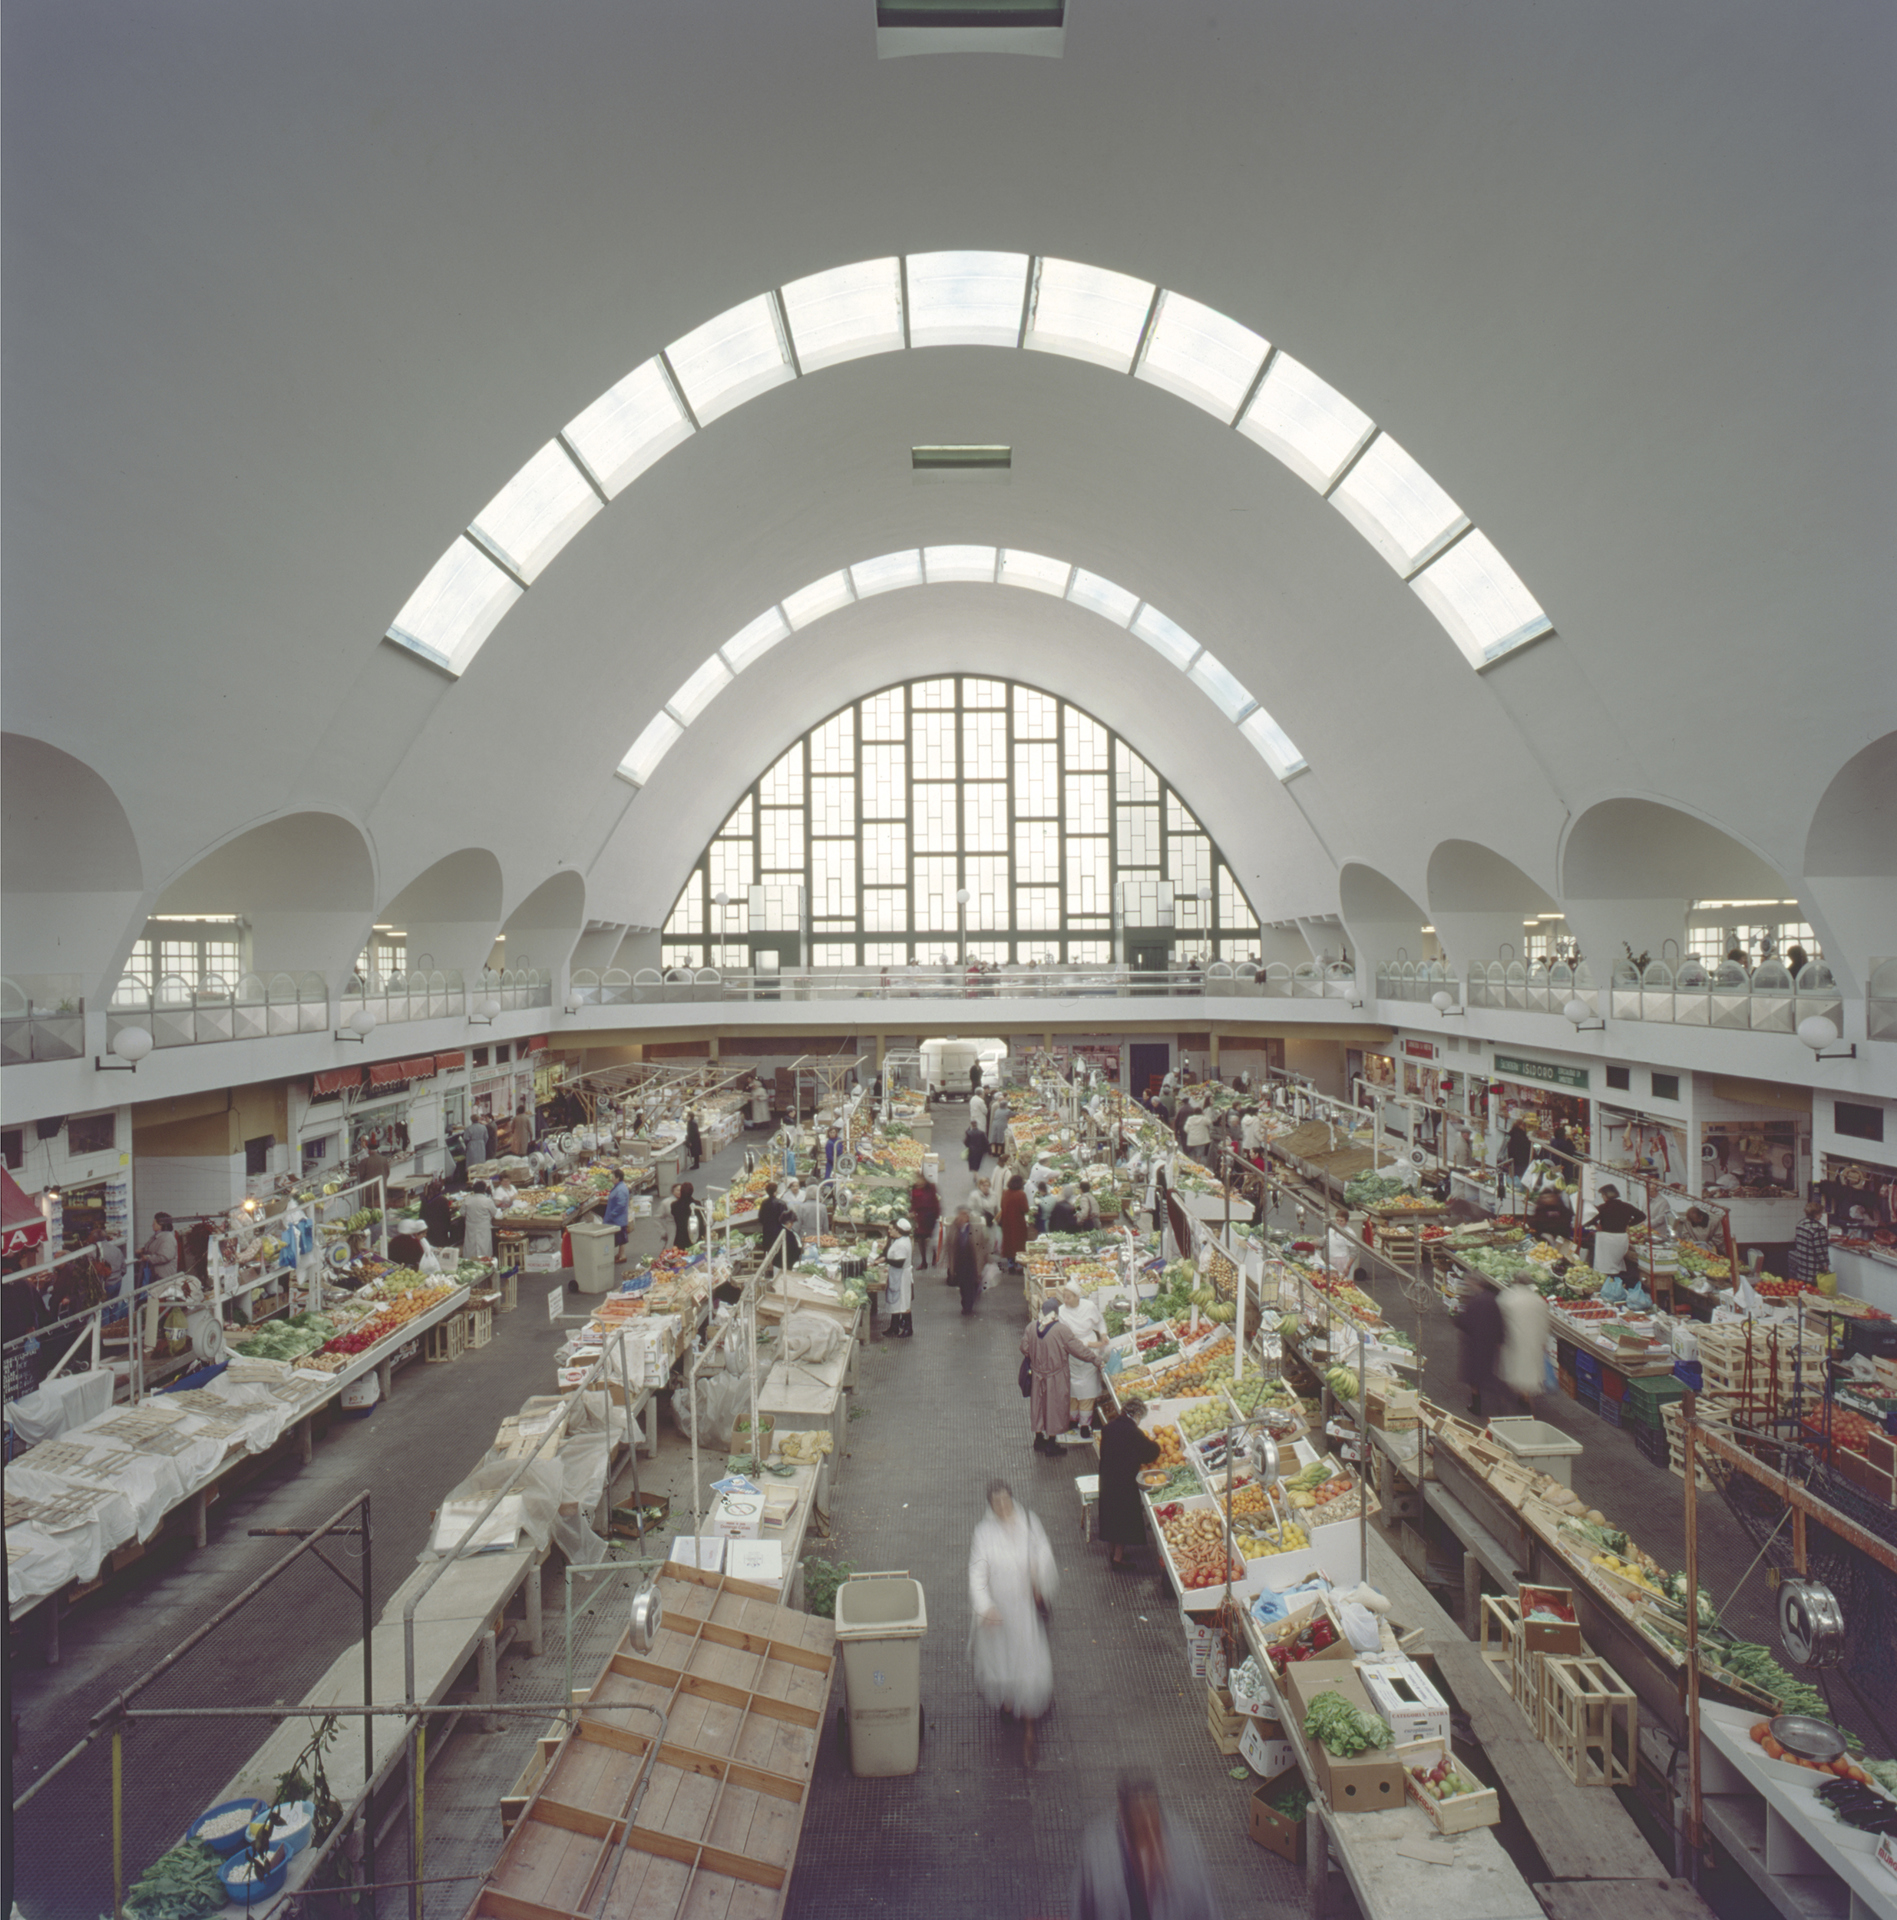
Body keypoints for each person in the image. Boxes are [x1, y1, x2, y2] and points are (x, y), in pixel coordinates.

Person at [968, 1479, 1058, 1765]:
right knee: (1003, 1662)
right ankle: (1009, 1701)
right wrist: (985, 1606)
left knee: (1027, 1663)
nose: (1004, 1507)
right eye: (998, 1503)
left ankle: (1029, 1732)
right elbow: (977, 1571)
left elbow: (1043, 1552)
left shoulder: (1029, 1524)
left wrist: (1038, 1571)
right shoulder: (983, 1533)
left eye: (1007, 1500)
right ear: (991, 1506)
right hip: (999, 1614)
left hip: (1022, 1613)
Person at [1072, 1775, 1221, 1920]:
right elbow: (1081, 1907)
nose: (1148, 1823)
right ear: (1122, 1811)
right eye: (1138, 1813)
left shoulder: (1186, 1844)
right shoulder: (1096, 1848)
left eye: (1151, 1810)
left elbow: (1207, 1908)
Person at [1022, 1296, 1104, 1453]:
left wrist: (1037, 1356)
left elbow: (1024, 1348)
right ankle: (1052, 1444)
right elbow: (1078, 1349)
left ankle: (1038, 1439)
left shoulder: (1031, 1327)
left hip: (1037, 1375)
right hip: (1055, 1376)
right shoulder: (1061, 1330)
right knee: (1054, 1406)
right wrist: (1095, 1359)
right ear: (1055, 1313)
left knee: (1038, 1406)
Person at [1098, 1397, 1161, 1569]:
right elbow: (1150, 1453)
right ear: (1137, 1414)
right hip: (1123, 1483)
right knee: (1122, 1520)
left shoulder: (1109, 1428)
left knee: (1110, 1518)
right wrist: (1158, 1444)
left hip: (1106, 1479)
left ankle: (1112, 1553)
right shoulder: (1133, 1432)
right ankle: (1118, 1560)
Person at [1059, 1285, 1107, 1434]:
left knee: (1088, 1388)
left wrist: (1103, 1335)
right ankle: (1073, 1419)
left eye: (1068, 1297)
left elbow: (1099, 1321)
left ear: (1077, 1297)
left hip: (1090, 1354)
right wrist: (1091, 1344)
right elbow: (1067, 1337)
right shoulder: (1061, 1311)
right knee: (1073, 1387)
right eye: (1064, 1297)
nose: (1065, 1301)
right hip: (1073, 1352)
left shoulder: (1089, 1306)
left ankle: (1085, 1424)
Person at [1458, 1271, 1505, 1419]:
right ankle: (1495, 1399)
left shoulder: (1475, 1301)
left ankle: (1477, 1405)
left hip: (1474, 1344)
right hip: (1488, 1344)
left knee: (1474, 1375)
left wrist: (1456, 1318)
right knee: (1486, 1371)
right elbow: (1499, 1322)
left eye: (1469, 1282)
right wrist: (1499, 1340)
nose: (1467, 1284)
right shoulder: (1492, 1299)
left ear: (1476, 1283)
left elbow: (1466, 1323)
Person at [1585, 1182, 1646, 1277]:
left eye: (1602, 1195)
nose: (1602, 1197)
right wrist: (1629, 1224)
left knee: (1604, 1267)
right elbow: (1642, 1216)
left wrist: (1596, 1224)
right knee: (1616, 1265)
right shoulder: (1627, 1206)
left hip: (1606, 1241)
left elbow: (1588, 1220)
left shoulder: (1602, 1208)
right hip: (1621, 1240)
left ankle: (1606, 1282)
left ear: (1606, 1195)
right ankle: (1616, 1280)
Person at [946, 1204, 990, 1314]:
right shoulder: (953, 1229)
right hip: (960, 1262)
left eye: (966, 1214)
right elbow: (948, 1246)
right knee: (963, 1285)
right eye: (962, 1214)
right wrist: (946, 1262)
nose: (964, 1217)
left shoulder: (975, 1229)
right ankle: (966, 1302)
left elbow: (983, 1246)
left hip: (972, 1262)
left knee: (971, 1284)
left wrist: (985, 1260)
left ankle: (968, 1306)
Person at [882, 1217, 915, 1336]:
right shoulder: (901, 1239)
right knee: (896, 1302)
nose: (889, 1231)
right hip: (897, 1274)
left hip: (901, 1277)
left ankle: (908, 1328)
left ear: (898, 1230)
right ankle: (894, 1327)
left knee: (903, 1302)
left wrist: (886, 1260)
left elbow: (899, 1262)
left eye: (892, 1229)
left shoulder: (901, 1244)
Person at [1789, 1198, 1831, 1284]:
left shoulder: (1801, 1224)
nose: (1822, 1215)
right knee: (1814, 1292)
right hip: (1813, 1268)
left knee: (1803, 1290)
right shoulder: (1818, 1229)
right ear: (1815, 1214)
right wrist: (1825, 1264)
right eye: (1820, 1213)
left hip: (1802, 1265)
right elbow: (1820, 1250)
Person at [999, 1172, 1031, 1272]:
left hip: (1007, 1221)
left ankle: (1010, 1265)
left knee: (1008, 1242)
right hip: (1018, 1222)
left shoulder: (1005, 1193)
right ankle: (1019, 1265)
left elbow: (1001, 1205)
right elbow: (1025, 1209)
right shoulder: (1021, 1194)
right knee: (1019, 1243)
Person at [909, 1175, 942, 1271]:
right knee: (920, 1239)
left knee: (932, 1238)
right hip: (920, 1218)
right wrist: (912, 1211)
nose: (918, 1182)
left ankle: (934, 1256)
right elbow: (913, 1202)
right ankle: (924, 1261)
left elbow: (935, 1202)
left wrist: (936, 1215)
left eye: (920, 1179)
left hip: (930, 1217)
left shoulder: (931, 1188)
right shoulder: (914, 1189)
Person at [459, 1180, 498, 1260]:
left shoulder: (468, 1200)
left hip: (471, 1227)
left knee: (471, 1245)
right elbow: (494, 1213)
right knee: (484, 1246)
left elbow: (462, 1213)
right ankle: (485, 1261)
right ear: (484, 1189)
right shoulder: (487, 1201)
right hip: (484, 1227)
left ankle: (469, 1261)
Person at [139, 1213, 180, 1283]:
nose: (152, 1225)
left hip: (164, 1277)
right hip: (155, 1275)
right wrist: (142, 1250)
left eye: (154, 1223)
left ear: (160, 1225)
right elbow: (150, 1246)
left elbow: (164, 1257)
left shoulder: (168, 1238)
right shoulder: (157, 1236)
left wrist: (148, 1258)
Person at [603, 1166, 631, 1262]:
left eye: (613, 1177)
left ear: (617, 1178)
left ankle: (622, 1255)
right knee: (620, 1237)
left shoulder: (621, 1189)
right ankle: (620, 1254)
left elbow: (621, 1205)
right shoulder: (619, 1187)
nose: (611, 1179)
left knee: (621, 1238)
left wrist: (612, 1215)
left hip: (618, 1219)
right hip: (617, 1218)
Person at [420, 1178, 457, 1249]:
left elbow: (421, 1215)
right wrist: (448, 1227)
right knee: (440, 1248)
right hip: (440, 1229)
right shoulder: (442, 1200)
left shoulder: (424, 1200)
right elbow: (446, 1216)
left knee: (430, 1246)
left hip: (428, 1228)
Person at [670, 1180, 698, 1251]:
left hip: (680, 1239)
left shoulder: (674, 1205)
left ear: (681, 1192)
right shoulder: (697, 1205)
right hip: (694, 1238)